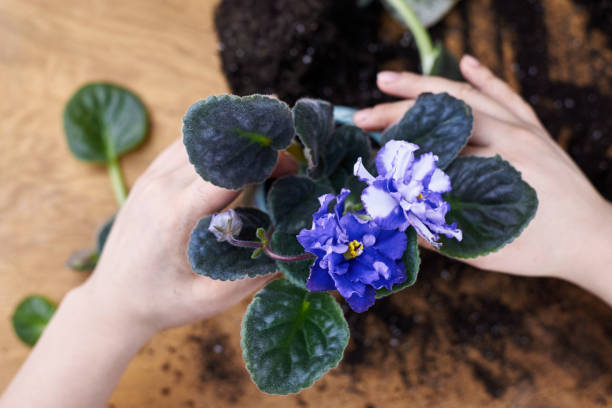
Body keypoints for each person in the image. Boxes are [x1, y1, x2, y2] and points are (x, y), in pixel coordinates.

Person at [1, 55, 610, 408]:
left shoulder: (366, 229)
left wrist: (106, 311)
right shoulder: (347, 241)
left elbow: (371, 236)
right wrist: (593, 238)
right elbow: (356, 242)